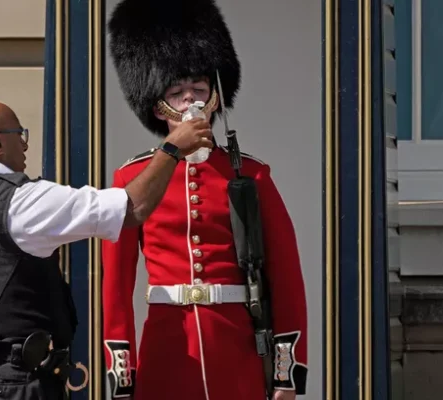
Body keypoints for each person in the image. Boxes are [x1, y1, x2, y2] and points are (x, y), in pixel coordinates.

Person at [0, 99, 213, 400]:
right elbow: (133, 208)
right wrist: (171, 149)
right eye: (19, 134)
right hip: (16, 384)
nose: (26, 144)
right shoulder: (24, 201)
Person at [101, 1, 308, 399]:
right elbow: (117, 285)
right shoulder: (132, 178)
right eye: (177, 92)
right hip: (167, 343)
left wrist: (285, 370)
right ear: (158, 104)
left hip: (235, 344)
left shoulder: (251, 173)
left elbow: (286, 277)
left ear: (215, 96)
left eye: (198, 88)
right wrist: (122, 370)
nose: (190, 100)